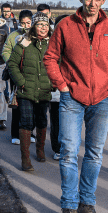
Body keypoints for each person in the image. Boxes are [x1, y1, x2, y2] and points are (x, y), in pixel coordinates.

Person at [44, 0, 108, 213]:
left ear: (104, 0)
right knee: (69, 153)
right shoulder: (65, 25)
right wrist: (62, 85)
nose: (92, 3)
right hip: (72, 97)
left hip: (102, 100)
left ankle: (87, 204)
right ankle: (69, 208)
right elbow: (50, 57)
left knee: (94, 154)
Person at [7, 12, 53, 172]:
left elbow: (59, 64)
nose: (43, 28)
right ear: (33, 26)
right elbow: (12, 64)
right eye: (40, 24)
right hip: (26, 90)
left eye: (46, 25)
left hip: (44, 90)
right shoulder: (24, 42)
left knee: (41, 121)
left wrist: (52, 83)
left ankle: (40, 150)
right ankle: (25, 158)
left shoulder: (52, 44)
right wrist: (21, 82)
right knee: (26, 122)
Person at [3, 10, 33, 145]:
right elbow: (5, 51)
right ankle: (15, 134)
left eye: (28, 23)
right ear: (18, 22)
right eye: (23, 23)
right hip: (16, 74)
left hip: (32, 75)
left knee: (32, 105)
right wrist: (13, 64)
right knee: (17, 104)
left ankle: (30, 132)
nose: (26, 25)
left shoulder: (36, 36)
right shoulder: (13, 36)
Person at [48, 14, 70, 160]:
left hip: (73, 91)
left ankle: (68, 149)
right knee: (56, 121)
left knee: (70, 123)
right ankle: (57, 148)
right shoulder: (51, 44)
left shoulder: (78, 43)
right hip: (55, 90)